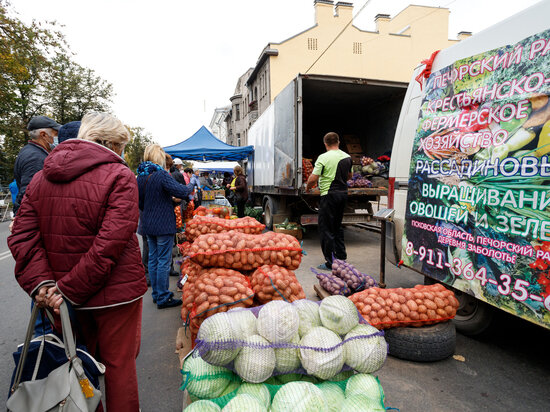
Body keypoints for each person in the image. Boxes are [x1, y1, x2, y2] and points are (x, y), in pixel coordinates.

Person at [8, 112, 147, 411]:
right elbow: (111, 243)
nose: (121, 152)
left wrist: (46, 285)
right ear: (110, 142)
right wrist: (67, 290)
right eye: (121, 145)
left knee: (79, 366)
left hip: (63, 300)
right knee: (119, 368)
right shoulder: (119, 175)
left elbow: (22, 236)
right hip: (113, 297)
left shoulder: (43, 175)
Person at [137, 144, 193, 309]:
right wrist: (191, 185)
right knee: (163, 260)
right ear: (159, 158)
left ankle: (156, 294)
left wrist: (165, 200)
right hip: (162, 224)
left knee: (153, 259)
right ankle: (163, 296)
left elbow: (142, 202)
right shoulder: (161, 175)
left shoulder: (140, 176)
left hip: (148, 224)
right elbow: (182, 191)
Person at [306, 132, 352, 270]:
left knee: (326, 229)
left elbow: (313, 178)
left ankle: (330, 262)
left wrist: (308, 188)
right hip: (343, 194)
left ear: (325, 144)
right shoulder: (347, 157)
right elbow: (349, 176)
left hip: (328, 195)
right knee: (337, 227)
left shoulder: (323, 157)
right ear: (338, 142)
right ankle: (342, 258)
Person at [12, 115, 61, 220]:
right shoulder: (35, 157)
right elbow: (28, 192)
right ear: (43, 135)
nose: (58, 138)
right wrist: (21, 218)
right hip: (35, 219)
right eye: (56, 134)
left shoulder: (29, 151)